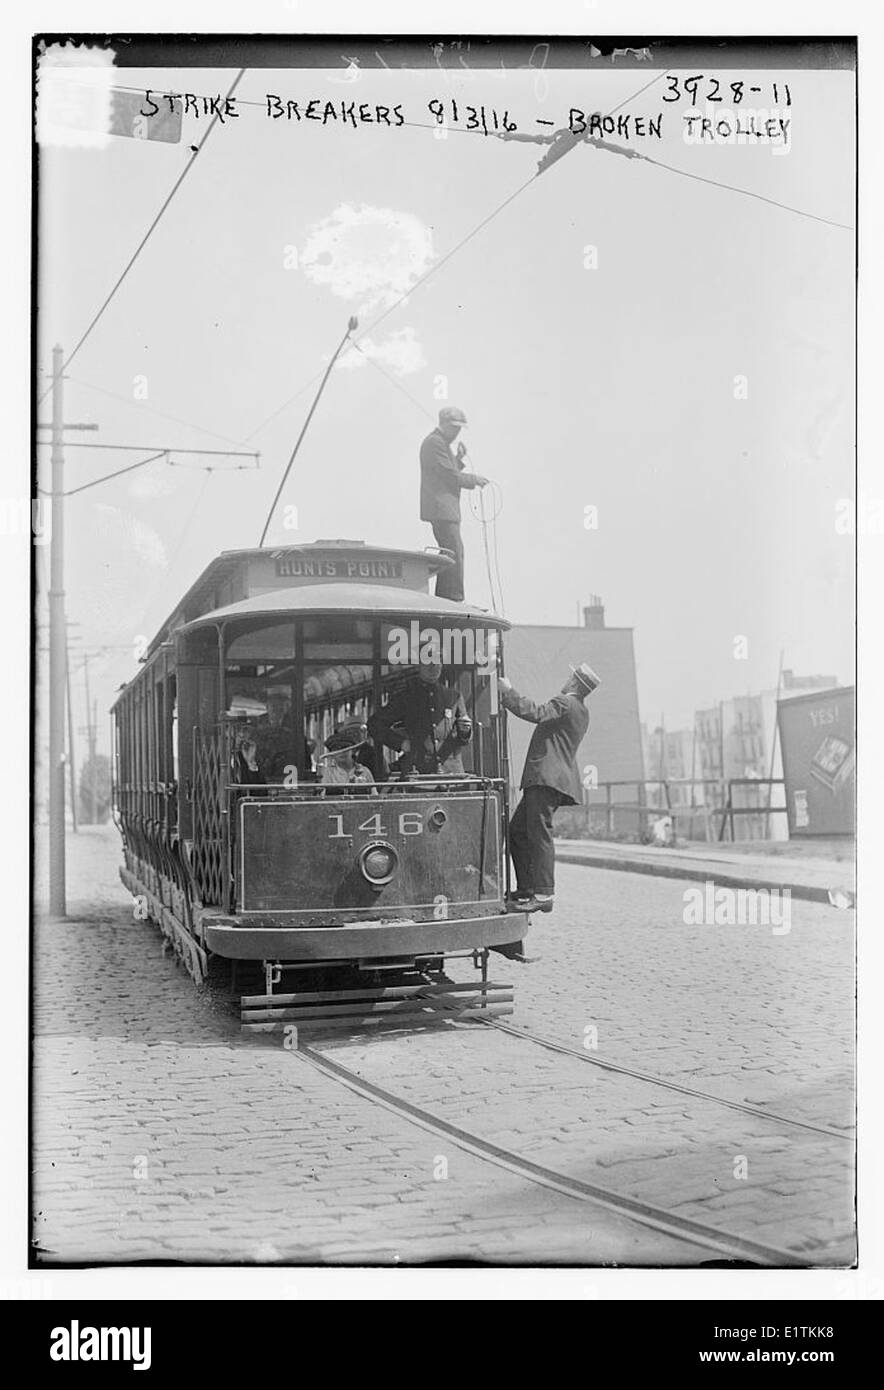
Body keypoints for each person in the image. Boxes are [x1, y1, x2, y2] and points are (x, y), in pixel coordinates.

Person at [499, 662, 601, 936]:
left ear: (575, 683)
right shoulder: (582, 711)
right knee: (518, 830)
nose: (566, 679)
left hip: (545, 778)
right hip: (552, 781)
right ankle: (528, 888)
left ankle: (542, 894)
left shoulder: (565, 702)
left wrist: (507, 692)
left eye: (570, 677)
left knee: (539, 833)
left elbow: (536, 712)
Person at [419, 406, 488, 601]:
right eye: (455, 428)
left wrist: (458, 458)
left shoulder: (438, 443)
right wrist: (473, 479)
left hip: (444, 509)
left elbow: (445, 470)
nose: (457, 432)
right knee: (454, 550)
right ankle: (452, 597)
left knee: (450, 550)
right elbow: (448, 475)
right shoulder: (435, 443)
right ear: (445, 425)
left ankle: (448, 596)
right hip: (442, 509)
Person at [368, 663, 472, 777]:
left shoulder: (453, 696)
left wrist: (465, 731)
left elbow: (463, 738)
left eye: (437, 662)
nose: (433, 667)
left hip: (452, 775)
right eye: (428, 663)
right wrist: (402, 743)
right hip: (418, 775)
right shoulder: (407, 697)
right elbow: (374, 724)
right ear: (418, 666)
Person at [318, 720, 376, 791]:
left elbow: (374, 795)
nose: (342, 753)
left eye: (345, 748)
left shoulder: (365, 771)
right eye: (337, 750)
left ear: (352, 751)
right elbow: (323, 797)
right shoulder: (329, 773)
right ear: (332, 755)